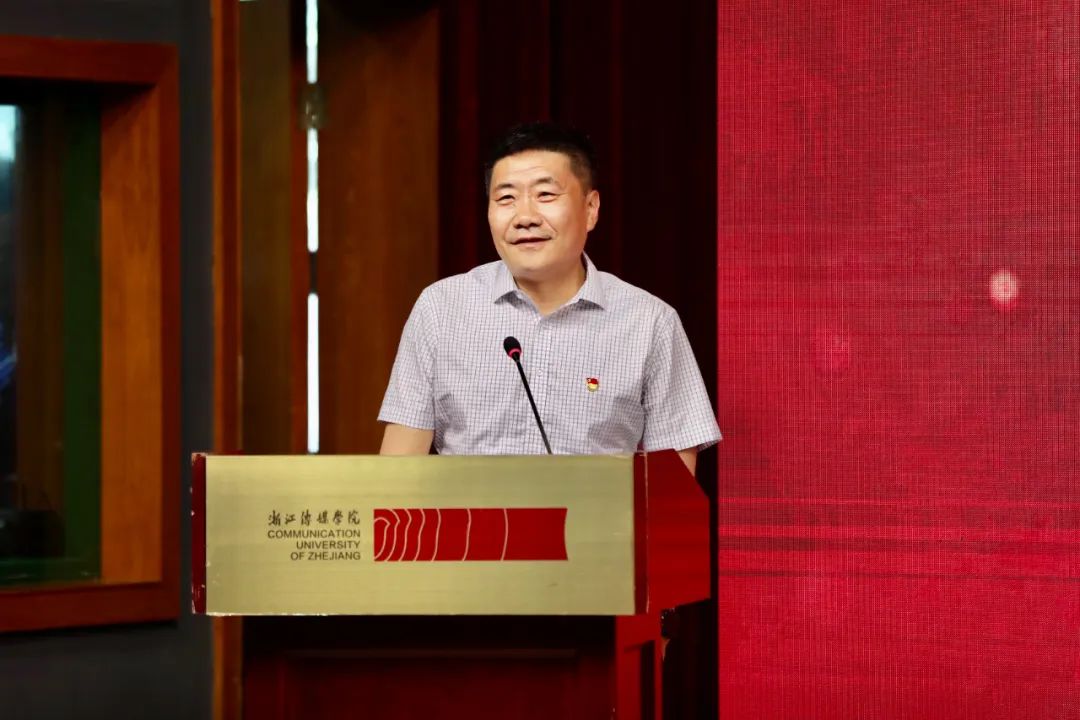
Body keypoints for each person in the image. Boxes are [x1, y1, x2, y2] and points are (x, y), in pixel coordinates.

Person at [378, 122, 720, 473]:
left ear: (591, 208)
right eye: (506, 198)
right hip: (468, 512)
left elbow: (674, 489)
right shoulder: (441, 308)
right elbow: (397, 474)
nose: (525, 217)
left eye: (545, 195)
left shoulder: (649, 322)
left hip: (593, 512)